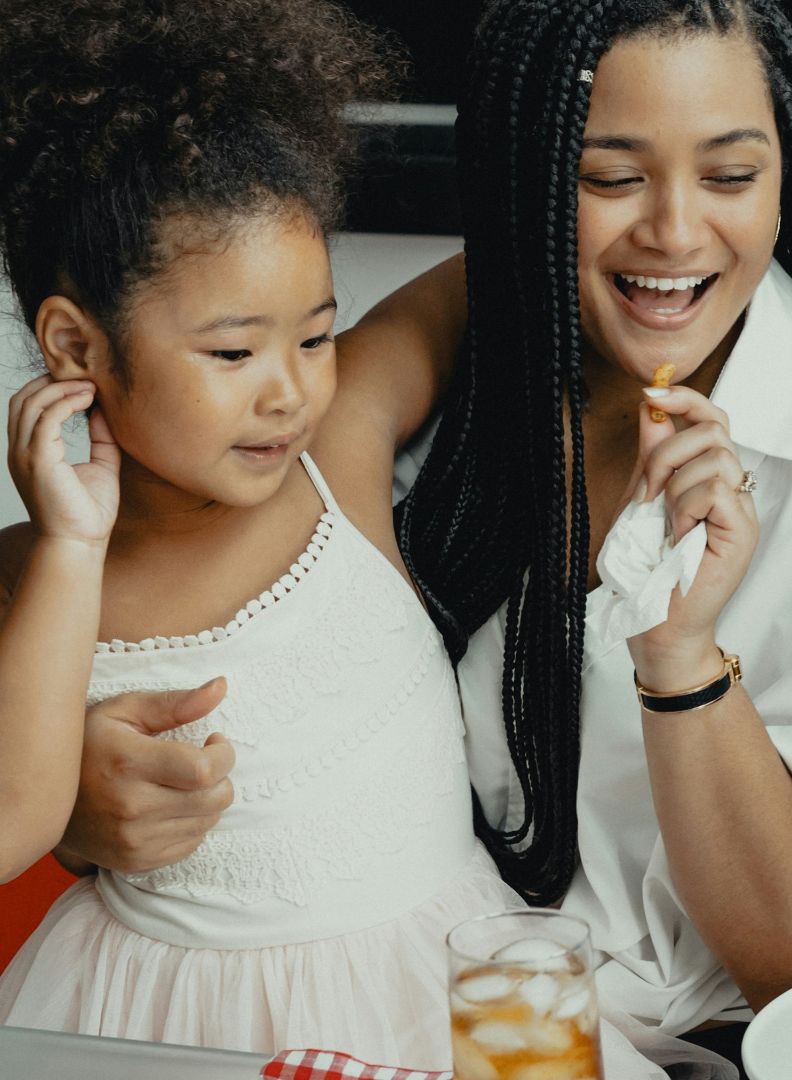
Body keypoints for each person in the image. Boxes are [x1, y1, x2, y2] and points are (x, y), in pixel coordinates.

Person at [55, 0, 792, 1045]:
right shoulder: (436, 401)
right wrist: (84, 802)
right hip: (427, 1012)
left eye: (732, 175)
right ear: (525, 184)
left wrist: (682, 663)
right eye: (610, 178)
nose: (678, 232)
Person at [0, 0, 635, 1071]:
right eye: (234, 353)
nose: (291, 391)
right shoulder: (30, 579)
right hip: (155, 1018)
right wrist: (69, 548)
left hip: (440, 993)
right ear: (76, 346)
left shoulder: (330, 468)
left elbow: (507, 272)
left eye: (317, 334)